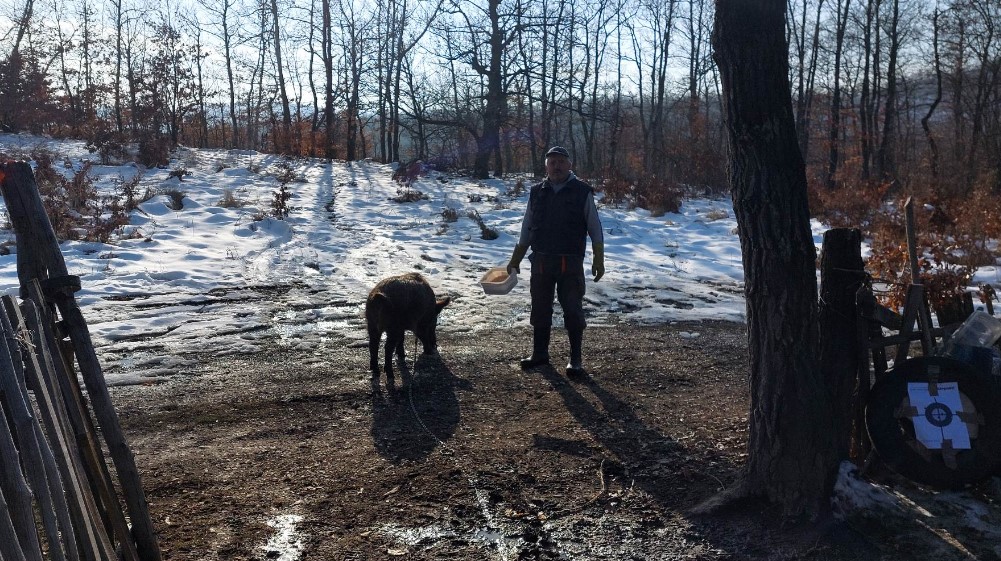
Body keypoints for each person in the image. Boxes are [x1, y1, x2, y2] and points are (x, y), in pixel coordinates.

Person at [506, 146, 604, 376]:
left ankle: (576, 359)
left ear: (569, 165)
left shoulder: (582, 191)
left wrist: (598, 258)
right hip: (541, 261)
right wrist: (516, 258)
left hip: (570, 262)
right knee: (540, 307)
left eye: (561, 162)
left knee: (572, 308)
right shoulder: (537, 191)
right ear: (546, 167)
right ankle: (540, 354)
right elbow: (527, 226)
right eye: (552, 162)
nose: (556, 166)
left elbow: (594, 227)